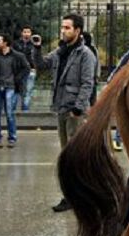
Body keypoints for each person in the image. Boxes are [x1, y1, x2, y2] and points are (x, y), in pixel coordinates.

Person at [31, 14, 97, 212]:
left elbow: (88, 83)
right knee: (67, 154)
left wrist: (79, 108)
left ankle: (79, 196)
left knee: (75, 155)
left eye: (67, 28)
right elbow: (42, 65)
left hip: (74, 111)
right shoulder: (61, 51)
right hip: (61, 107)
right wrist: (37, 48)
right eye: (62, 27)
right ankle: (74, 195)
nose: (63, 31)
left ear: (77, 30)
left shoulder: (85, 54)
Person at [12, 26, 38, 111]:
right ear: (22, 33)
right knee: (15, 91)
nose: (26, 33)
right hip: (18, 71)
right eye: (25, 31)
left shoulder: (34, 44)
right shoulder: (16, 44)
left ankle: (25, 111)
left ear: (31, 33)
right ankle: (13, 110)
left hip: (30, 70)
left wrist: (34, 67)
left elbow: (37, 57)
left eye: (28, 32)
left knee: (28, 91)